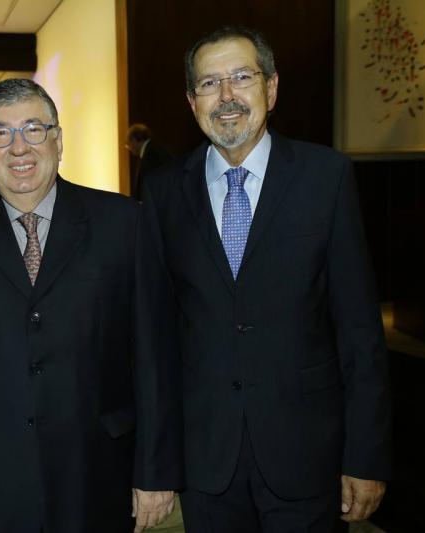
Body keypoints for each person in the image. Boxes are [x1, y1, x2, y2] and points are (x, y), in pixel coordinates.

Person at [141, 26, 392, 532]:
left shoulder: (325, 177)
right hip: (207, 459)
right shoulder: (163, 192)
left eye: (241, 77)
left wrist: (365, 455)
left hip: (307, 452)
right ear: (192, 102)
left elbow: (359, 329)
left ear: (271, 88)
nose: (226, 96)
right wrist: (157, 464)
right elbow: (156, 339)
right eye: (209, 83)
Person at [0, 78, 183, 533]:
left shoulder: (124, 224)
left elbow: (154, 357)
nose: (19, 147)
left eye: (34, 129)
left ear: (58, 139)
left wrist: (155, 471)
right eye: (1, 133)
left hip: (98, 473)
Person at [126, 123, 172, 201]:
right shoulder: (155, 148)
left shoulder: (151, 154)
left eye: (128, 144)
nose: (130, 148)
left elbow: (154, 184)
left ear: (134, 140)